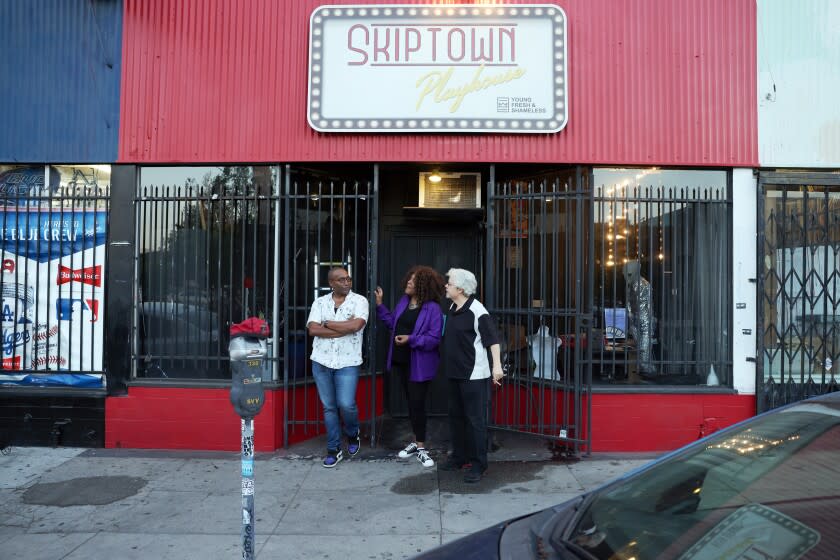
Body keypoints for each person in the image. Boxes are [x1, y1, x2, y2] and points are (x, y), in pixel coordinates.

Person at [375, 265, 445, 468]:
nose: (408, 282)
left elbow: (433, 339)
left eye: (413, 281)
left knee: (417, 404)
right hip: (401, 362)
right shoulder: (404, 301)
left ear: (423, 285)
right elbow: (392, 324)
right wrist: (380, 306)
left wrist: (410, 339)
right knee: (411, 403)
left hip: (420, 365)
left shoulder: (432, 308)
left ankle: (421, 446)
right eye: (409, 279)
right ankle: (416, 442)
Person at [438, 268, 504, 483]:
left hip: (474, 374)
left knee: (475, 420)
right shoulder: (451, 307)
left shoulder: (478, 310)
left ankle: (478, 464)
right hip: (454, 373)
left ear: (460, 288)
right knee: (456, 418)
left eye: (449, 283)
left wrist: (497, 367)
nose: (446, 286)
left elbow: (492, 340)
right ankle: (459, 457)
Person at [306, 267, 369, 468]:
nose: (347, 282)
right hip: (321, 361)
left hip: (348, 362)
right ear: (331, 283)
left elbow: (355, 327)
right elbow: (312, 329)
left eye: (348, 278)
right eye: (341, 280)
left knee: (346, 404)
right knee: (329, 407)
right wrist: (342, 328)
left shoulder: (359, 301)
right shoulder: (320, 302)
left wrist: (327, 324)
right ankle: (334, 449)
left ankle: (352, 433)